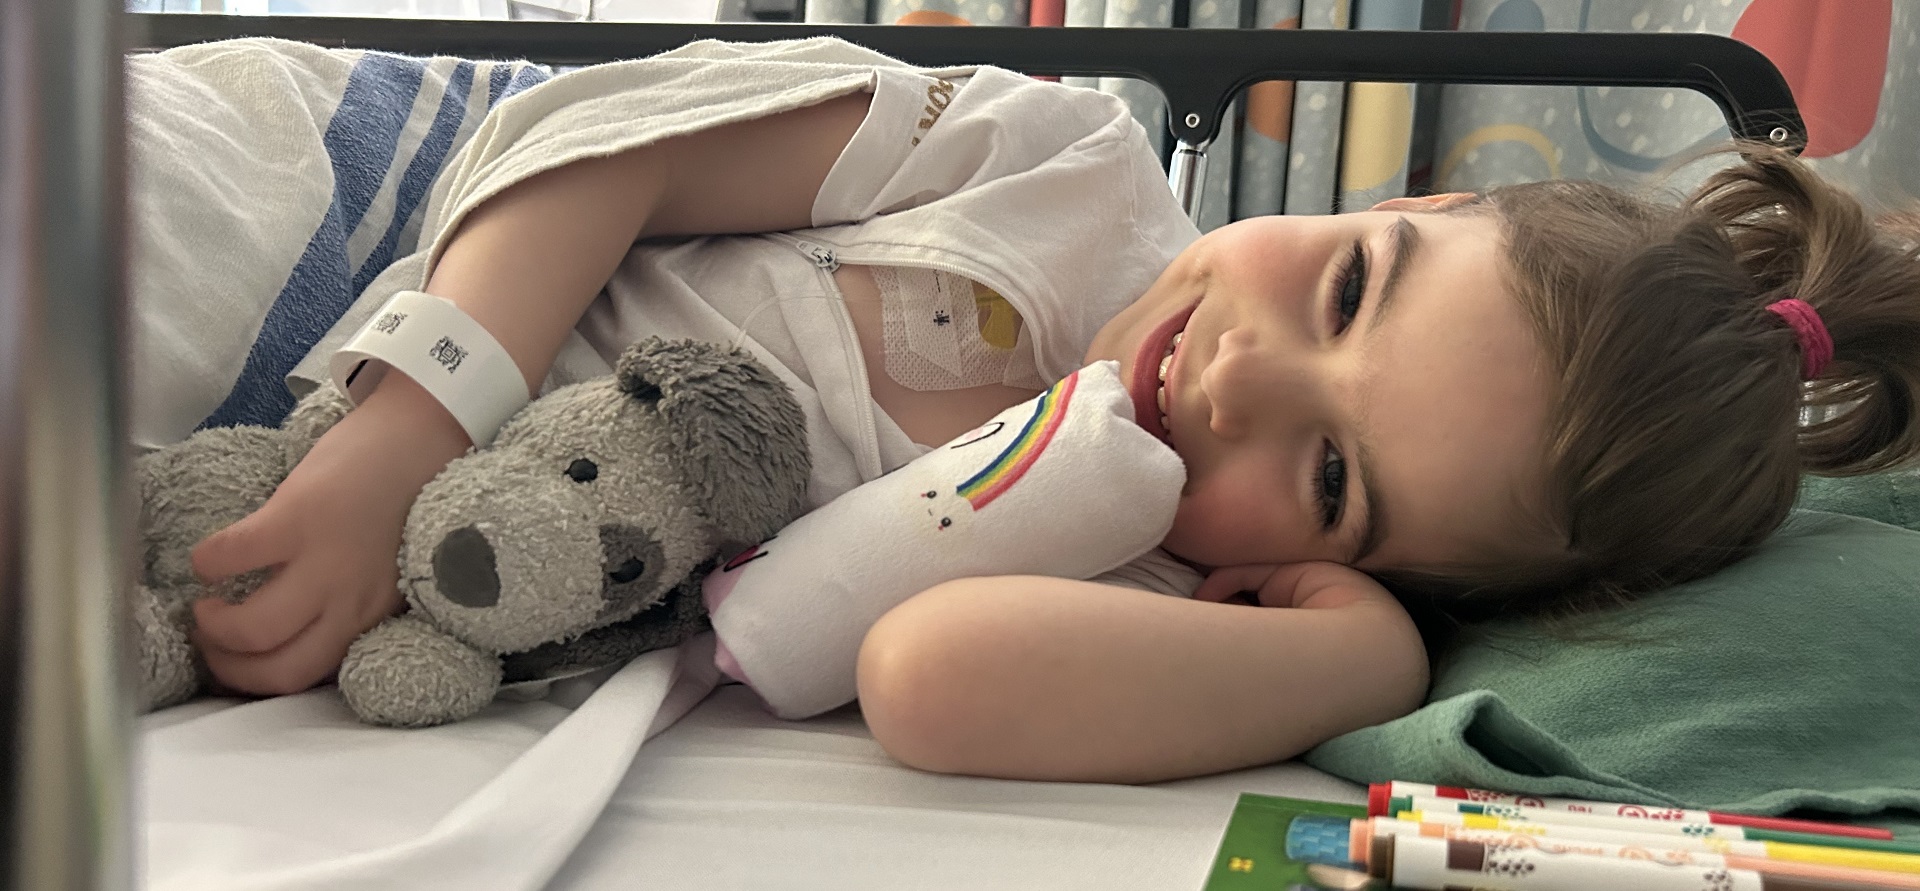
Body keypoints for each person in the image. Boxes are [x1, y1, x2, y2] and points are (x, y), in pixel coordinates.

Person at [154, 36, 1920, 785]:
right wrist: (403, 435)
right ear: (1432, 201)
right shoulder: (1054, 165)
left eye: (1328, 475)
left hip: (232, 472)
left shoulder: (1137, 571)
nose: (1237, 378)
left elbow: (927, 682)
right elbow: (612, 146)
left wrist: (1355, 666)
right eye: (1352, 290)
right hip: (345, 211)